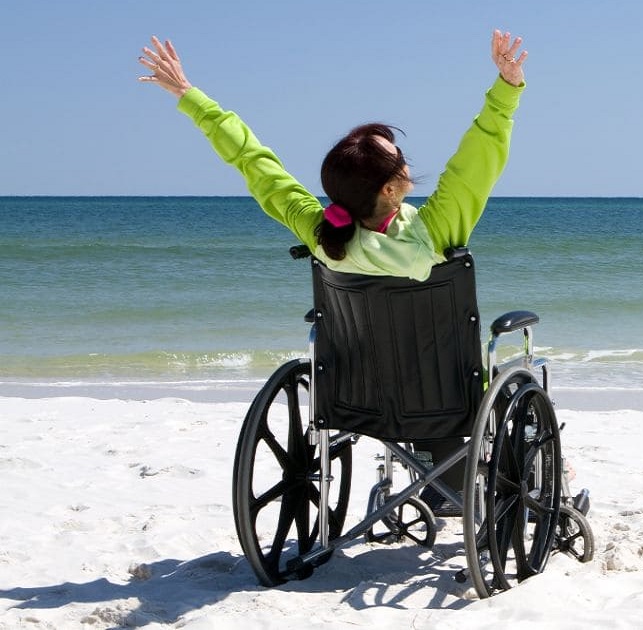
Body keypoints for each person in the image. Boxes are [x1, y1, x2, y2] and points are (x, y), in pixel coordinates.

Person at [137, 31, 528, 516]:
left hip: (356, 400)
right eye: (400, 159)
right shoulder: (436, 231)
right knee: (522, 369)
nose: (408, 163)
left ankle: (432, 471)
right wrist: (507, 88)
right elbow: (480, 156)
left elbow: (255, 163)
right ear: (391, 187)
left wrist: (190, 97)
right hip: (445, 397)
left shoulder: (318, 232)